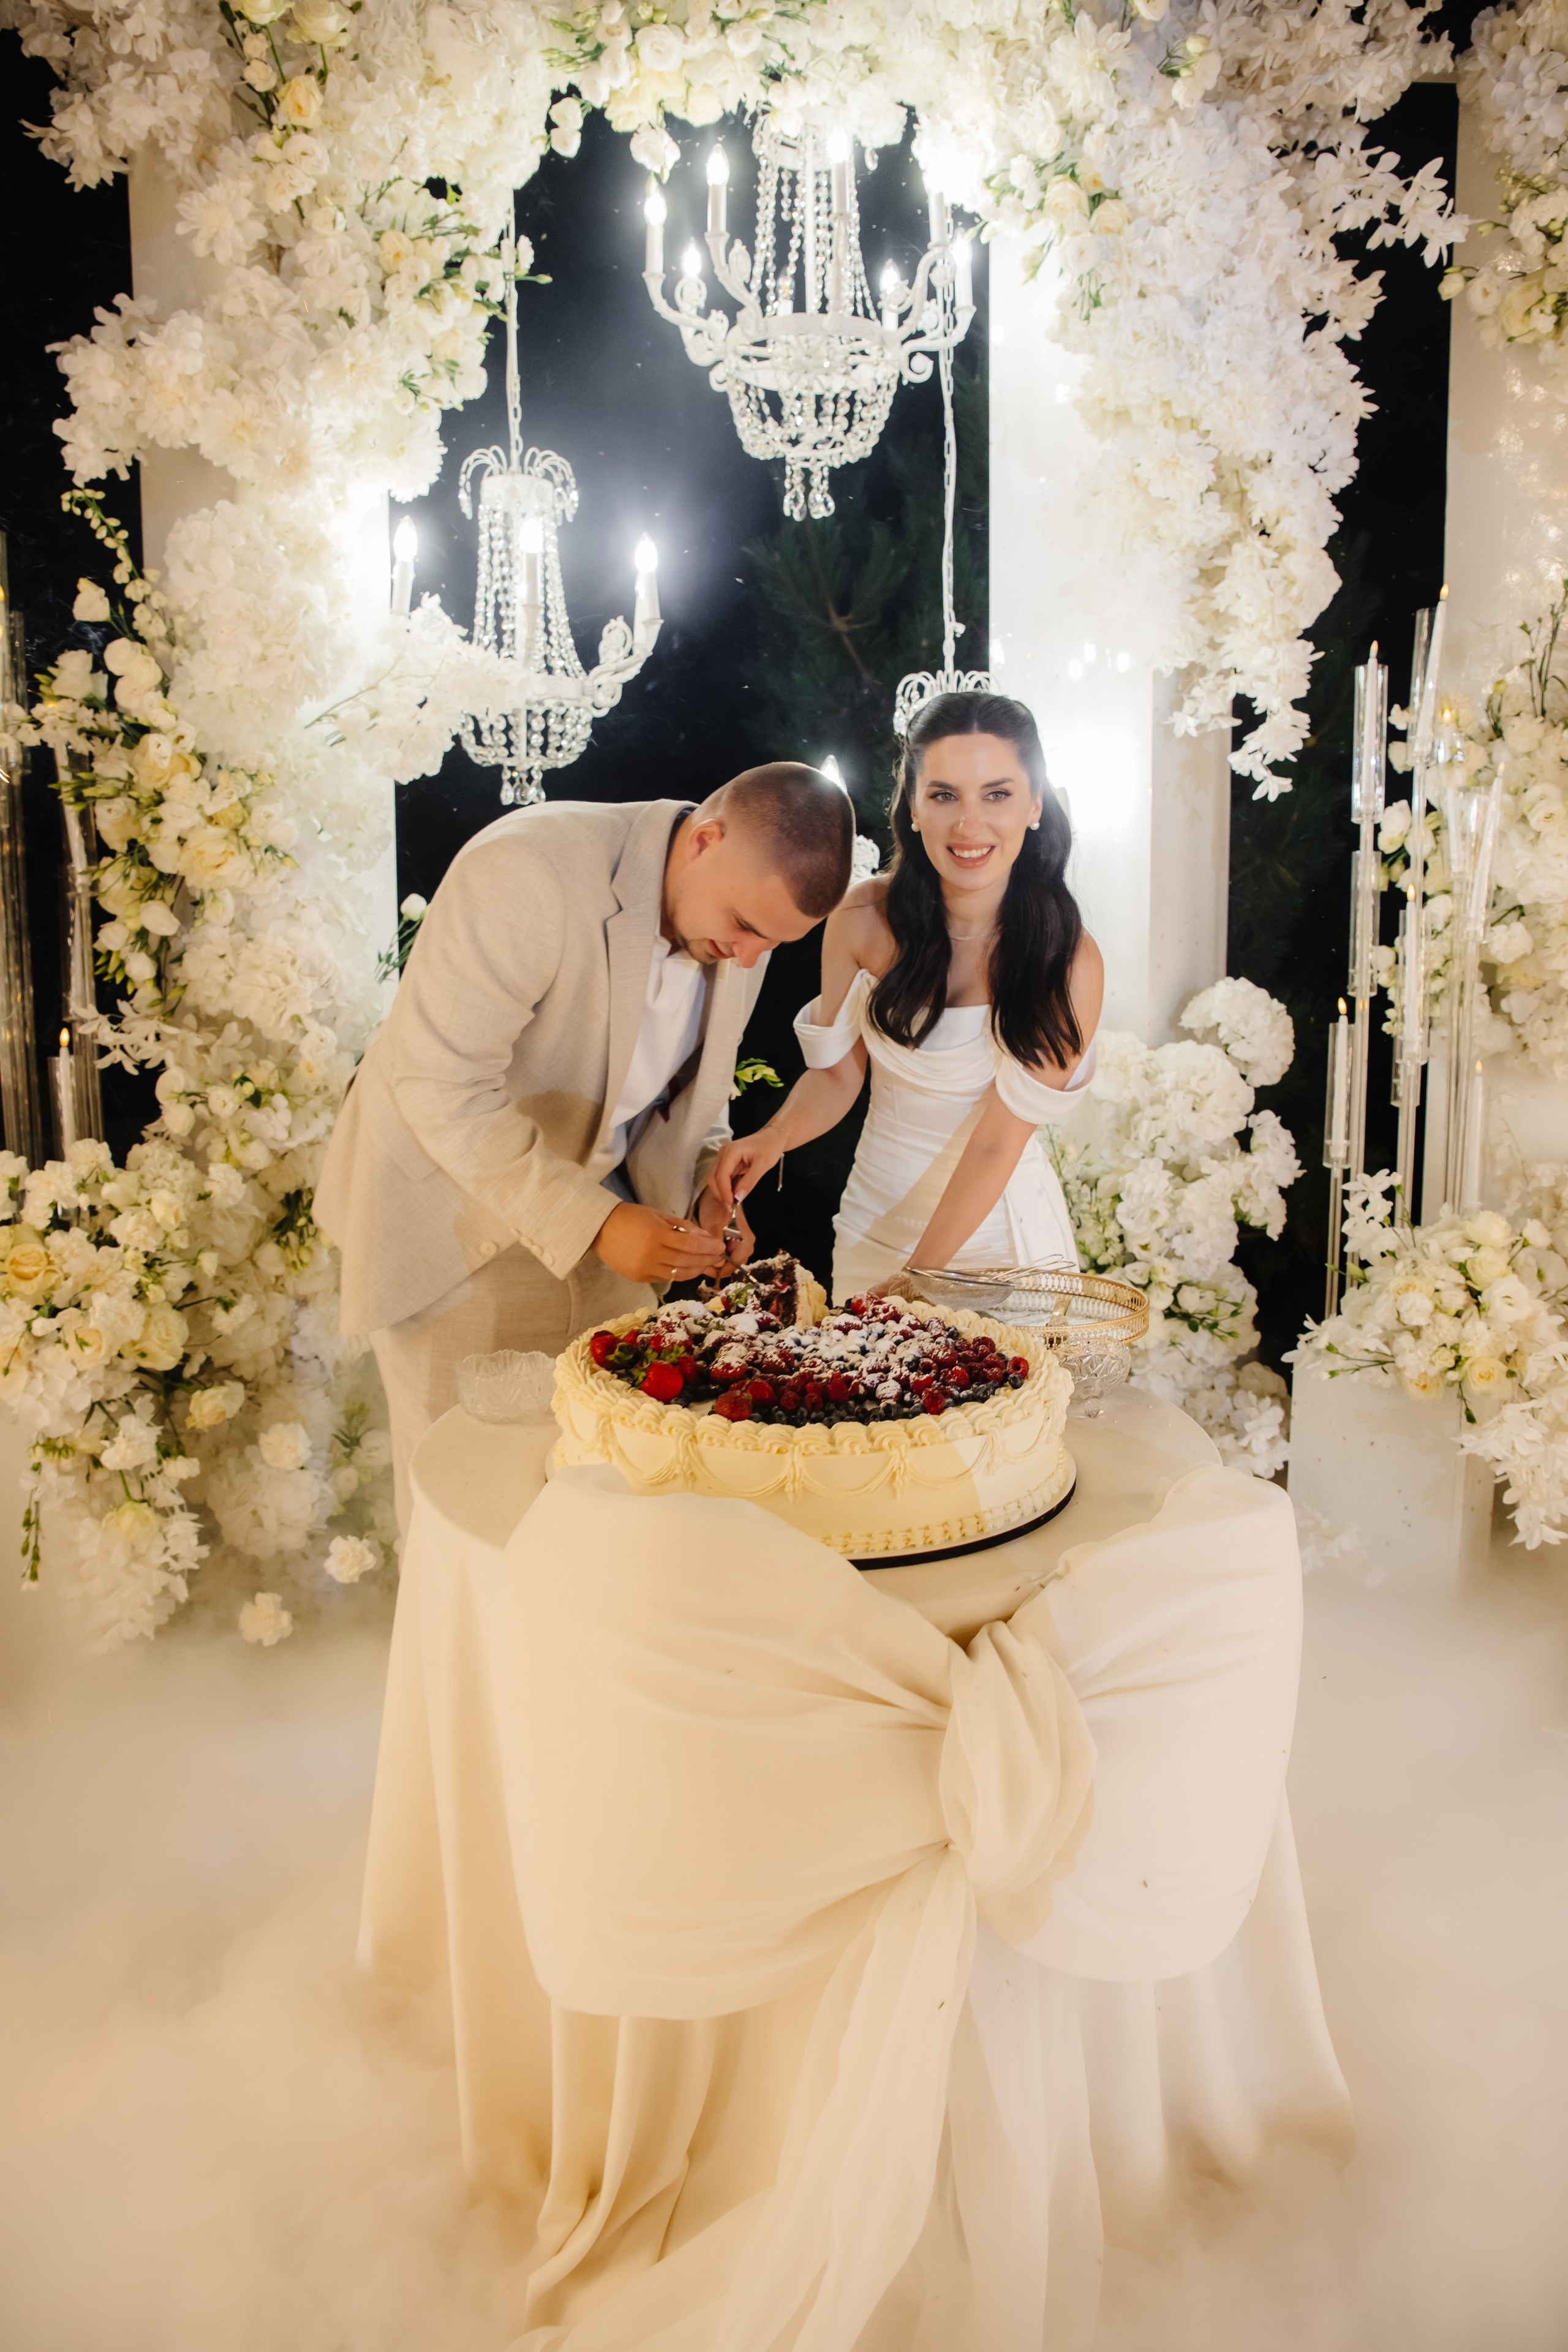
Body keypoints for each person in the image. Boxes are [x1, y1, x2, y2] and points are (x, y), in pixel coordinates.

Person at [317, 766, 854, 1525]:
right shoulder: (525, 872)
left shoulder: (738, 925)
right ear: (705, 839)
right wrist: (598, 1224)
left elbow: (673, 1087)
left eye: (770, 943)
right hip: (456, 1225)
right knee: (469, 1513)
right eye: (744, 927)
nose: (745, 957)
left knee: (600, 1514)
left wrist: (708, 1176)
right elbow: (440, 1086)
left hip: (607, 1239)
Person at [705, 693, 1102, 1303]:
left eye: (996, 794)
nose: (969, 825)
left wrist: (922, 1276)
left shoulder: (1068, 961)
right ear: (913, 808)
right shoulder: (861, 917)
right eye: (944, 795)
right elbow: (837, 1076)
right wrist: (773, 1137)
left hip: (1002, 1245)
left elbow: (998, 1141)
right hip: (875, 1225)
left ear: (1034, 805)